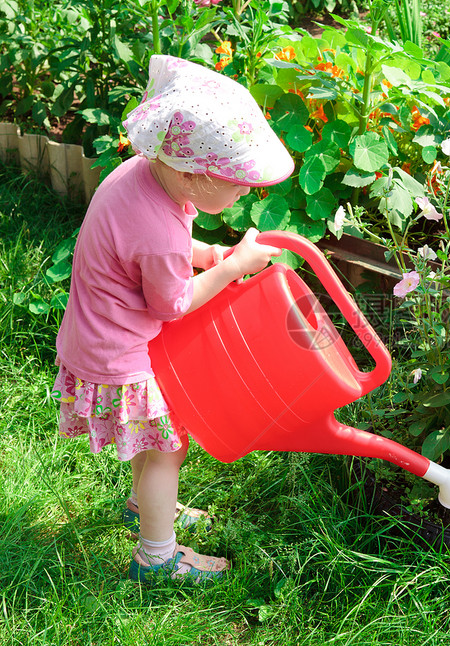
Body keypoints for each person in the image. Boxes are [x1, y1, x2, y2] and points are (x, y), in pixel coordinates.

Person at [51, 54, 294, 584]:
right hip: (120, 355)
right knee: (166, 446)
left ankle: (146, 506)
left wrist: (205, 252)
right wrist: (231, 268)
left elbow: (153, 250)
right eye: (236, 183)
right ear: (190, 174)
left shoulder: (142, 175)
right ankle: (156, 557)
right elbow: (174, 303)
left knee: (151, 441)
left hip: (98, 337)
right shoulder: (159, 230)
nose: (247, 192)